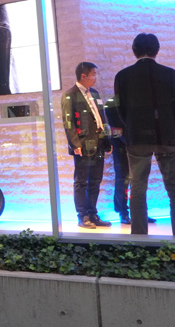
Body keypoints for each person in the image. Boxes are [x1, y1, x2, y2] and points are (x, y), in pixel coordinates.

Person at [114, 33, 175, 236]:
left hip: (137, 138)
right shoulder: (170, 74)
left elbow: (120, 109)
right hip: (167, 136)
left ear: (134, 50)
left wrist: (132, 127)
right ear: (157, 50)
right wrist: (167, 126)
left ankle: (139, 240)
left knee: (138, 189)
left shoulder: (123, 76)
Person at [61, 62, 111, 229]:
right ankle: (82, 216)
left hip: (98, 143)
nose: (95, 78)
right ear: (83, 76)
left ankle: (93, 213)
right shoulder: (70, 95)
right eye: (93, 74)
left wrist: (107, 140)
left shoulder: (94, 93)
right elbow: (68, 122)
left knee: (95, 180)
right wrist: (75, 143)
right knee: (81, 181)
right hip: (82, 145)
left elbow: (102, 118)